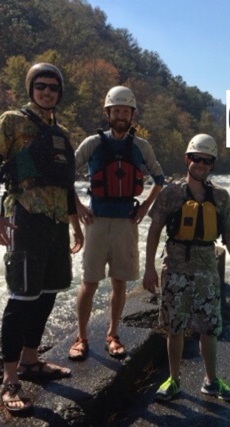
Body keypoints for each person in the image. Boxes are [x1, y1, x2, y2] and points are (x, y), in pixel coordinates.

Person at [0, 63, 83, 414]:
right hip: (24, 218)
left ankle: (30, 360)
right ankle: (10, 379)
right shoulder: (11, 121)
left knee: (48, 293)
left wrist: (75, 223)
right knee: (22, 298)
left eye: (53, 87)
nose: (47, 92)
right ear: (31, 88)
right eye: (41, 86)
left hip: (56, 222)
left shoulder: (62, 133)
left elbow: (65, 183)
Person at [142, 134, 230, 402]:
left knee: (209, 329)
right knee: (175, 328)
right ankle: (174, 380)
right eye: (196, 158)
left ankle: (211, 381)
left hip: (207, 272)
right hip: (175, 270)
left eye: (206, 160)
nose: (201, 164)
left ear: (212, 165)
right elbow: (154, 231)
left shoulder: (220, 196)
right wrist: (149, 268)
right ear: (187, 159)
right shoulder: (170, 194)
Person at [68, 86, 164, 361]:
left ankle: (113, 334)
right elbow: (64, 174)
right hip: (96, 221)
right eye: (116, 111)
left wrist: (145, 206)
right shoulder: (92, 144)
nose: (121, 115)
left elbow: (159, 179)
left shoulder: (142, 146)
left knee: (119, 283)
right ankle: (81, 337)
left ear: (132, 114)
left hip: (126, 223)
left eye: (125, 111)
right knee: (89, 283)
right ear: (108, 113)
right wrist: (78, 205)